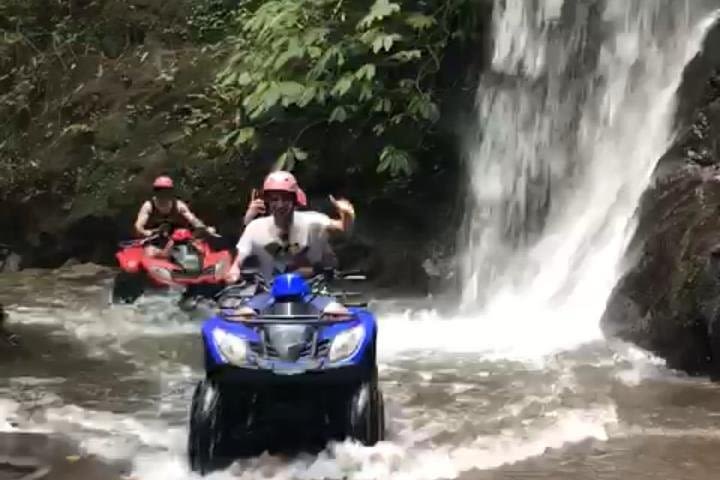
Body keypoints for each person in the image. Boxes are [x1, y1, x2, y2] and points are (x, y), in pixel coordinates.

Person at [225, 171, 354, 283]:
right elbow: (239, 259)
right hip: (268, 292)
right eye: (274, 199)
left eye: (285, 199)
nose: (280, 205)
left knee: (337, 311)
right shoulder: (255, 227)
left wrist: (347, 214)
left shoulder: (312, 220)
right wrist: (234, 270)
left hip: (313, 291)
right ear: (267, 202)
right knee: (244, 311)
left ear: (295, 201)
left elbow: (343, 228)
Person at [133, 176, 216, 257]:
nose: (163, 193)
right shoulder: (149, 206)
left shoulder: (179, 205)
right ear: (155, 191)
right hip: (155, 240)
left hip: (178, 240)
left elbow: (192, 219)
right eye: (160, 189)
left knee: (200, 251)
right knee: (150, 253)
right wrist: (147, 232)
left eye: (166, 190)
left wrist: (204, 228)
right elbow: (138, 226)